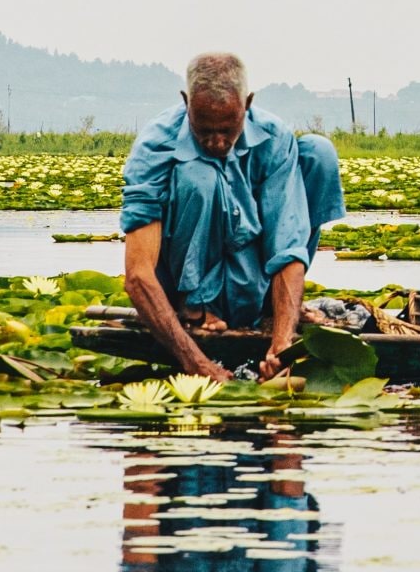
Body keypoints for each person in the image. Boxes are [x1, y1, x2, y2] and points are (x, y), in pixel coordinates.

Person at [120, 52, 347, 380]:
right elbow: (138, 274)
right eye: (204, 130)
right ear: (186, 103)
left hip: (252, 278)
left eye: (227, 129)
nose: (216, 141)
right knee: (200, 175)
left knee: (318, 153)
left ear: (248, 104)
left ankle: (279, 306)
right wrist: (196, 363)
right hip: (185, 283)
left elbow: (288, 245)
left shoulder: (273, 138)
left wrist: (282, 342)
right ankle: (195, 306)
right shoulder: (156, 147)